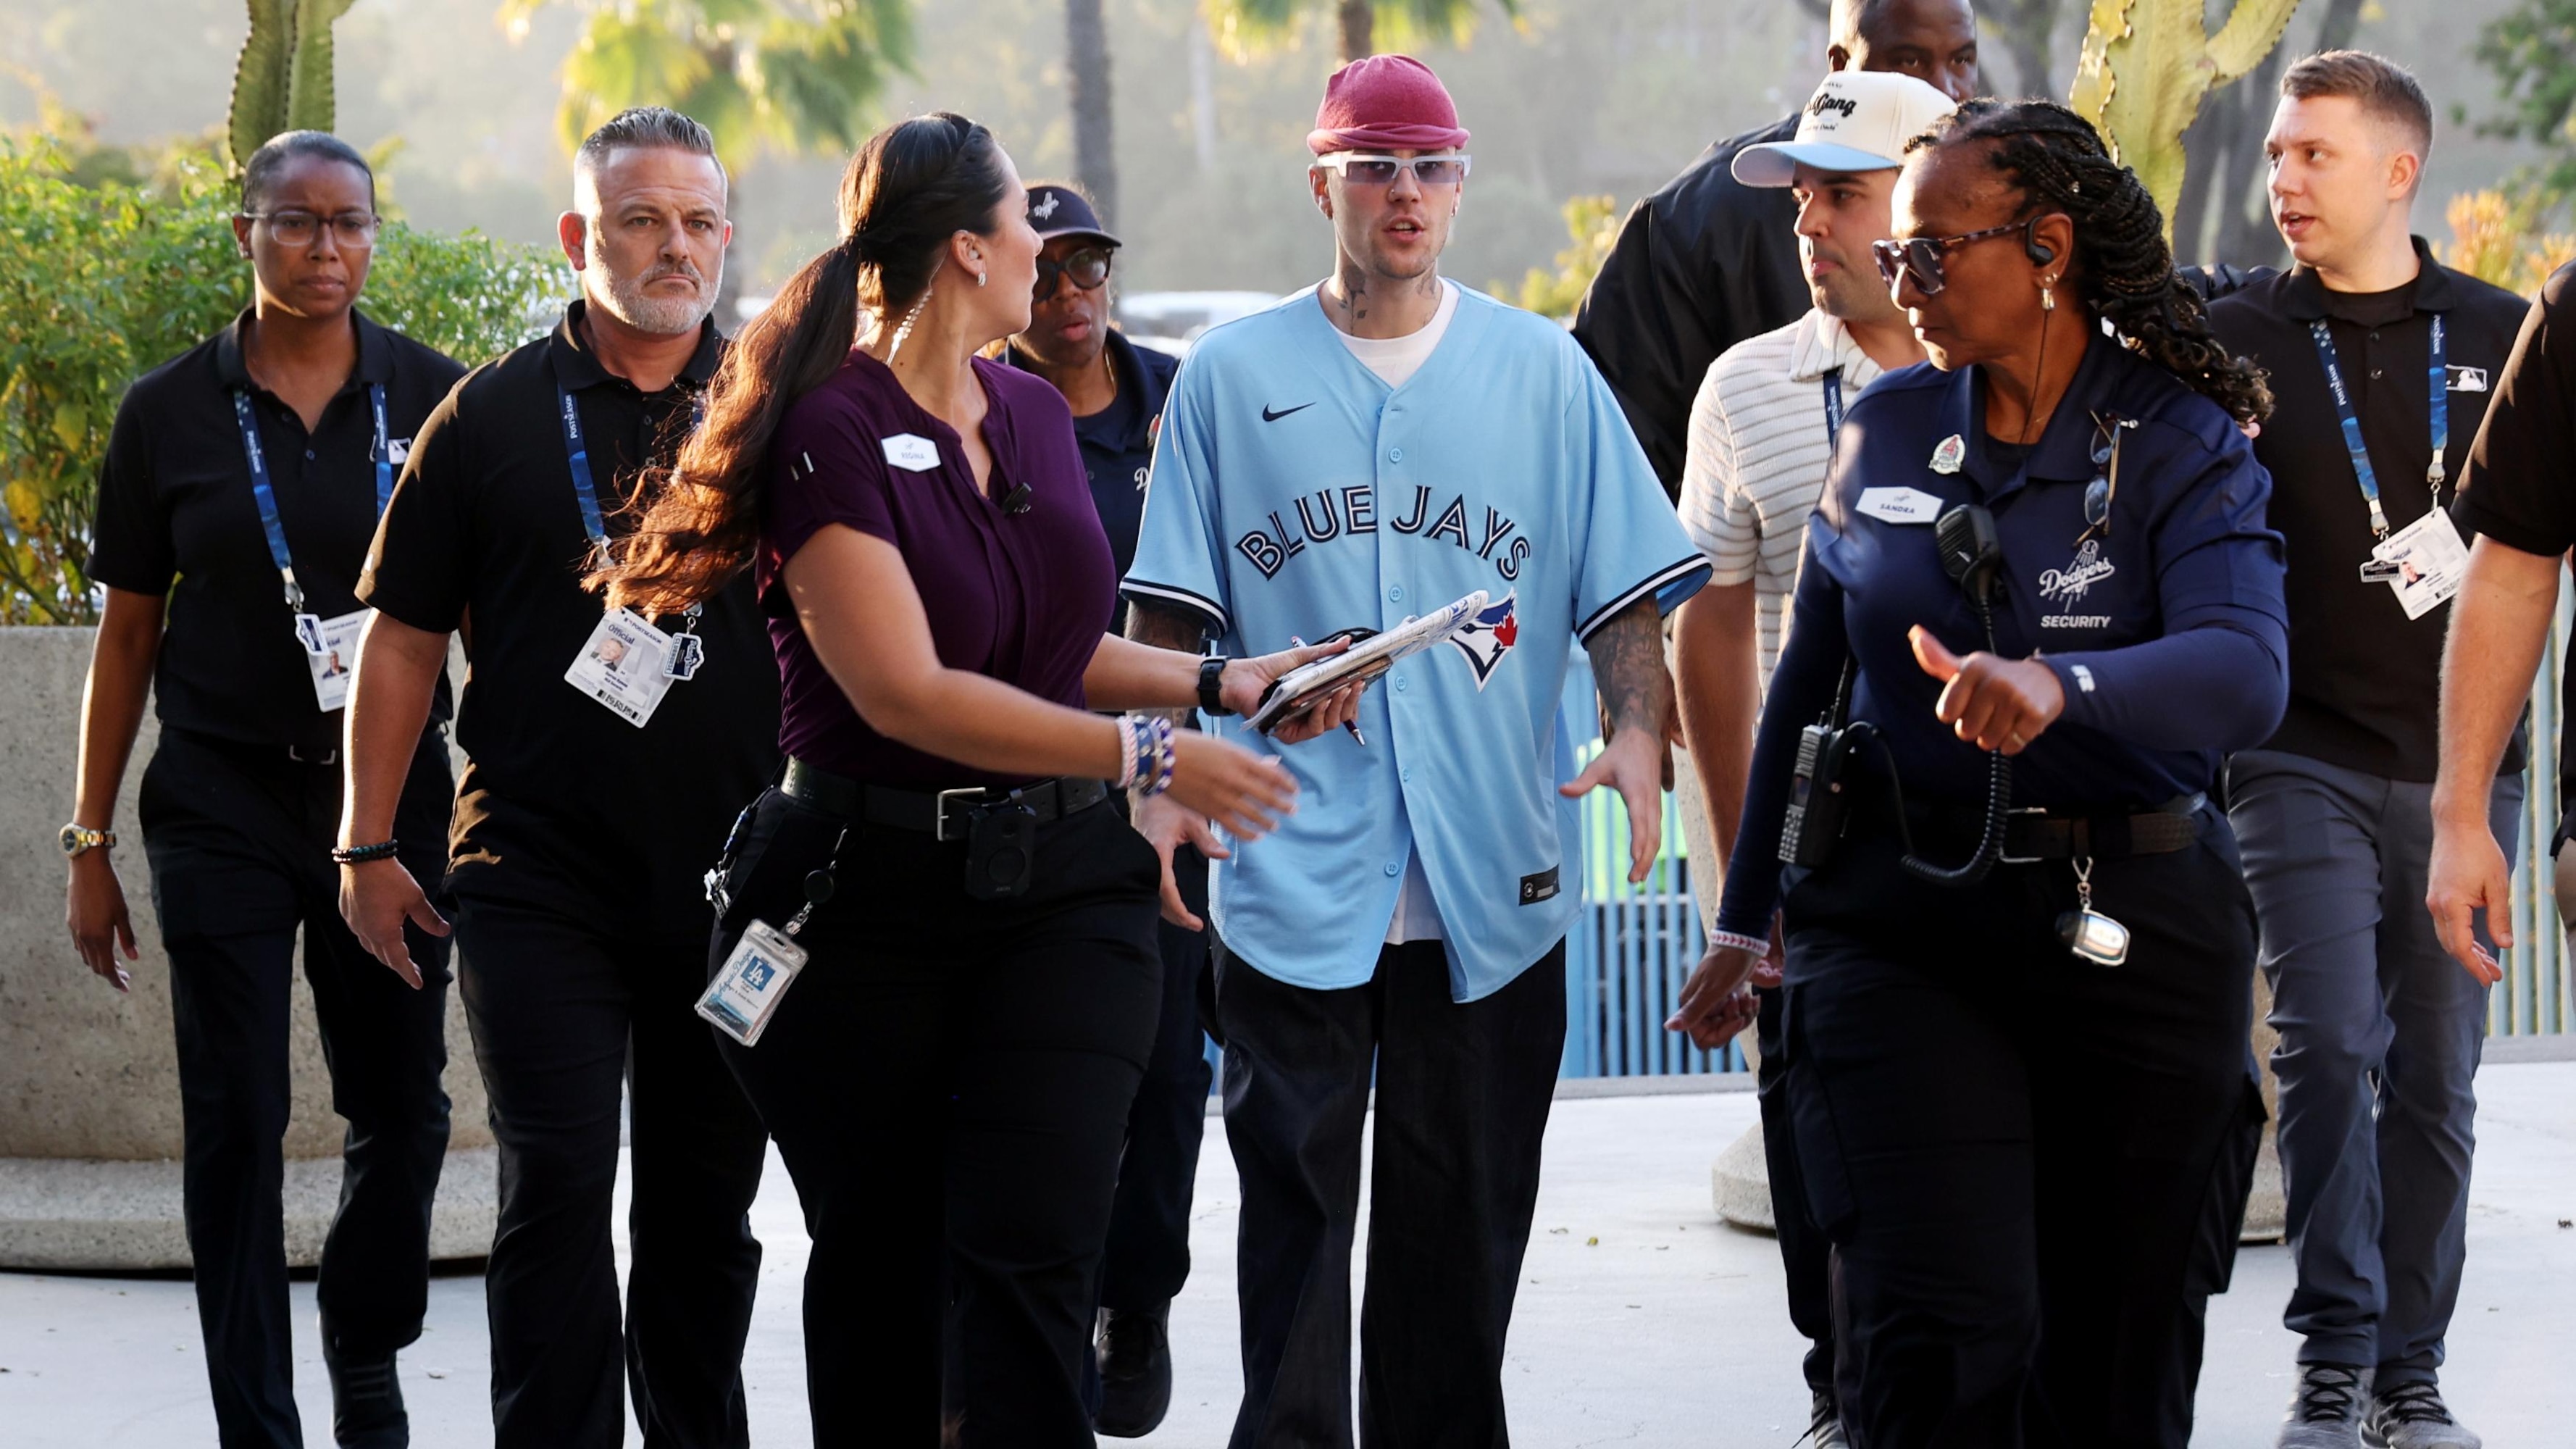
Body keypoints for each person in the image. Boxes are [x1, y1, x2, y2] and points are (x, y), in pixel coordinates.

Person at [585, 112, 1355, 1448]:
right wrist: (1154, 755)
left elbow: (1058, 651)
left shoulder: (1038, 417)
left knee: (1035, 1246)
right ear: (965, 251)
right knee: (886, 1267)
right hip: (858, 907)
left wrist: (1232, 681)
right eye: (1024, 233)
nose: (1045, 258)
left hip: (1065, 897)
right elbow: (908, 693)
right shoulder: (826, 432)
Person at [1668, 99, 2286, 1447]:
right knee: (1943, 1328)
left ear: (2048, 247)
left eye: (1936, 254)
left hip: (2132, 922)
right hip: (1902, 926)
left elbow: (2245, 670)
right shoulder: (1883, 431)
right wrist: (1745, 909)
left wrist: (2066, 685)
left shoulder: (2177, 441)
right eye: (1898, 258)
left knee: (2116, 1347)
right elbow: (1804, 684)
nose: (1907, 286)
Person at [1121, 55, 1710, 1448]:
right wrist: (1152, 782)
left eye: (1430, 166)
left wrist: (1634, 729)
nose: (1406, 191)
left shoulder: (1544, 371)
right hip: (1285, 854)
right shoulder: (1228, 375)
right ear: (1322, 180)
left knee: (1464, 1217)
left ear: (1459, 186)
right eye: (1376, 165)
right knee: (1297, 1214)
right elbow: (1163, 615)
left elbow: (1624, 595)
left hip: (1490, 872)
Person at [335, 107, 773, 1449]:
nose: (675, 247)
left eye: (700, 221)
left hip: (739, 885)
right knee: (559, 1191)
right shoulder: (490, 419)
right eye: (642, 219)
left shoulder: (779, 411)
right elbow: (403, 640)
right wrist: (363, 846)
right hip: (537, 880)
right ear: (582, 236)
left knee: (706, 1209)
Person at [64, 130, 461, 1449]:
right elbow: (126, 635)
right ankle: (259, 1424)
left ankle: (364, 1339)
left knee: (402, 1111)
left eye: (351, 224)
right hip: (223, 800)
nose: (328, 249)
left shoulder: (439, 399)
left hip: (394, 802)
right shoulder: (166, 413)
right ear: (245, 232)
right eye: (297, 223)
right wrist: (88, 837)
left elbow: (506, 614)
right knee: (235, 1114)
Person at [2201, 52, 2527, 1449]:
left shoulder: (2509, 332)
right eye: (2275, 155)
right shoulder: (2231, 337)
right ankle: (2333, 1359)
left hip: (2464, 774)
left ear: (2400, 171)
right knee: (2327, 1045)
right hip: (2297, 756)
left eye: (2313, 156)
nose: (2282, 182)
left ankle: (2413, 1372)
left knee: (2439, 1081)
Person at [1665, 68, 1953, 1449]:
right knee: (1819, 1163)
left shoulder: (2022, 381)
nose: (1811, 223)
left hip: (1979, 853)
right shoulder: (1746, 387)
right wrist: (1742, 877)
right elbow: (1711, 640)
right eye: (1801, 196)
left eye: (1842, 192)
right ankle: (1841, 1405)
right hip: (1811, 860)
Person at [998, 181, 1200, 1435]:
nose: (1073, 299)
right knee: (1061, 1091)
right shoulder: (982, 410)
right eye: (1048, 273)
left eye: (1091, 271)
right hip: (1036, 789)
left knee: (1171, 1082)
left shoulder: (1180, 395)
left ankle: (1141, 1297)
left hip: (1178, 781)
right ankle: (1059, 1319)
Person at [1572, 0, 1980, 500]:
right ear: (1838, 66)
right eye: (1909, 61)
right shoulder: (1696, 224)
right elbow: (1605, 471)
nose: (1942, 90)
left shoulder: (2025, 206)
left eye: (1961, 60)